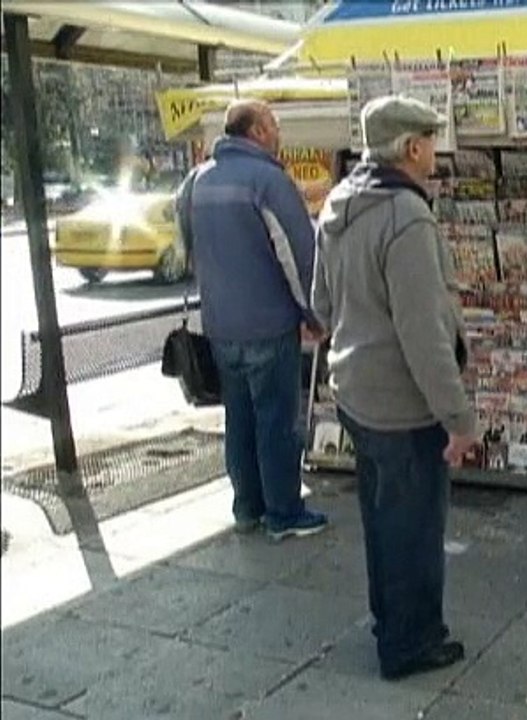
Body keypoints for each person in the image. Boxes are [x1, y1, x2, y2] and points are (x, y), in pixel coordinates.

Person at [311, 95, 477, 680]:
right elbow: (424, 334)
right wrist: (458, 419)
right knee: (414, 528)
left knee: (383, 521)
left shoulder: (338, 202)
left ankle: (391, 621)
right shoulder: (406, 216)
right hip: (404, 406)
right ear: (411, 147)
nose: (436, 149)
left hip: (355, 392)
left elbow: (320, 304)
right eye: (431, 139)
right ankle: (411, 645)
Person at [175, 99, 328, 541]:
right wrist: (312, 313)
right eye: (274, 124)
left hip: (220, 325)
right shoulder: (268, 180)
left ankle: (247, 507)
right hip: (267, 323)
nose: (278, 133)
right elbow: (300, 256)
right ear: (257, 130)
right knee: (277, 421)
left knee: (238, 419)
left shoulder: (196, 180)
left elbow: (187, 246)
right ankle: (283, 512)